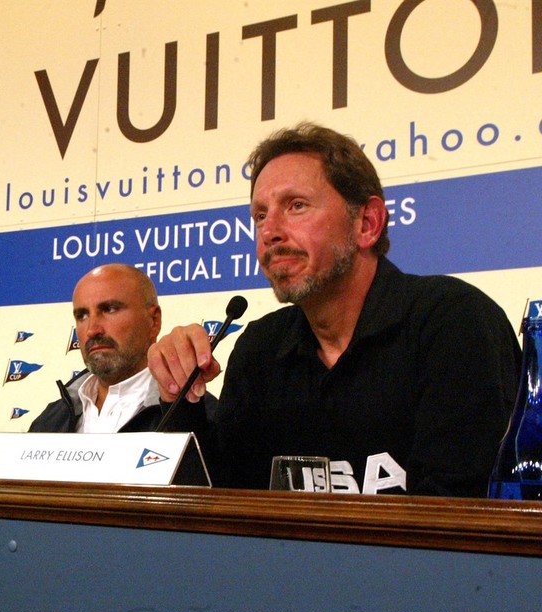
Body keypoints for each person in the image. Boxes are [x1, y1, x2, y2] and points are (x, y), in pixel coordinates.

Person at [147, 122, 520, 496]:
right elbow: (222, 505)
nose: (269, 232)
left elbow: (456, 516)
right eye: (259, 215)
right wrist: (181, 398)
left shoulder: (455, 322)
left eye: (296, 206)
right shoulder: (260, 348)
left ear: (367, 223)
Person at [29, 264, 215, 484]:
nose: (92, 330)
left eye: (109, 309)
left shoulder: (198, 416)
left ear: (153, 321)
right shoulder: (50, 421)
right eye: (82, 315)